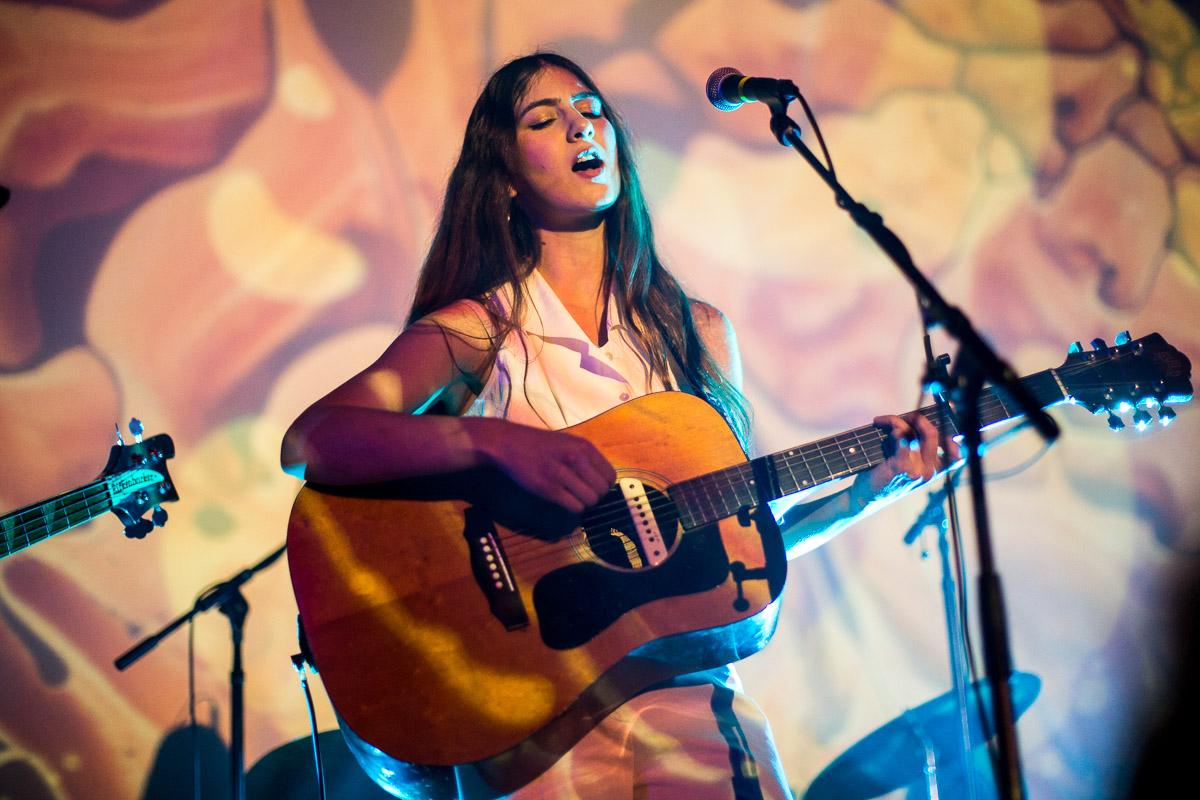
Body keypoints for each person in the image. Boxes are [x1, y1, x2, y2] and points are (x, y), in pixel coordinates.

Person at [281, 51, 949, 800]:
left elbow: (729, 547)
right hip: (531, 734)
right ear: (502, 175)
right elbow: (313, 441)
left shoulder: (699, 334)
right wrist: (491, 439)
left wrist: (864, 494)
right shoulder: (480, 330)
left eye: (591, 110)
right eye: (545, 119)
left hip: (694, 710)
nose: (579, 125)